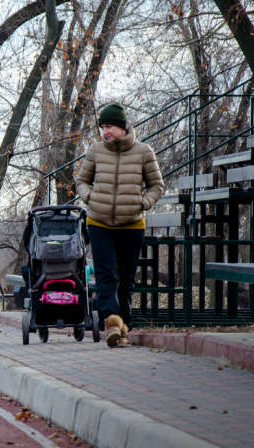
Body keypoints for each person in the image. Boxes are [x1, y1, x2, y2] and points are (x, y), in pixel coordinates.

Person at [76, 102, 164, 347]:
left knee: (126, 280)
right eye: (102, 127)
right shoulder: (95, 151)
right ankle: (111, 323)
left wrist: (143, 203)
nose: (105, 131)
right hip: (98, 221)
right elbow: (82, 181)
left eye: (110, 126)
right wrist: (89, 197)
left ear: (123, 126)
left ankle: (123, 328)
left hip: (131, 224)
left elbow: (157, 185)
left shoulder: (144, 152)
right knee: (107, 275)